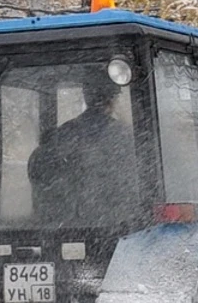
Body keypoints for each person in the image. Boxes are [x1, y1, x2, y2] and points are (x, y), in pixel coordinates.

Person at [27, 75, 142, 225]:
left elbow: (39, 177)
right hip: (111, 225)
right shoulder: (123, 135)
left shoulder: (62, 133)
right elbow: (133, 182)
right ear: (112, 100)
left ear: (87, 98)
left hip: (62, 226)